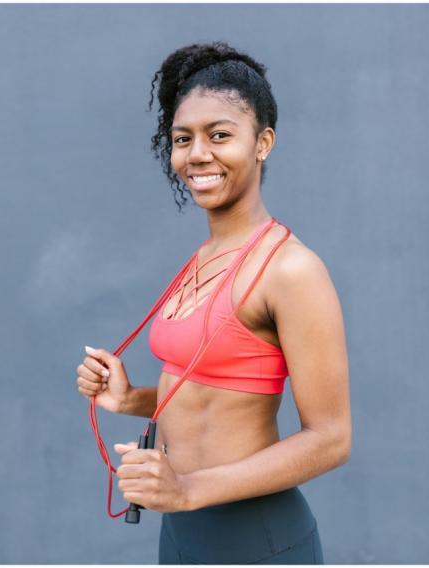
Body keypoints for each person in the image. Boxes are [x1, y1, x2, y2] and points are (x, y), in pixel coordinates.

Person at [75, 41, 351, 564]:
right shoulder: (204, 257)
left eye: (219, 135)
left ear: (262, 143)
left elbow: (331, 439)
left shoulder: (291, 270)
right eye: (183, 139)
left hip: (254, 537)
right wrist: (131, 397)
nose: (197, 153)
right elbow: (213, 392)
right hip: (183, 534)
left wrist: (186, 490)